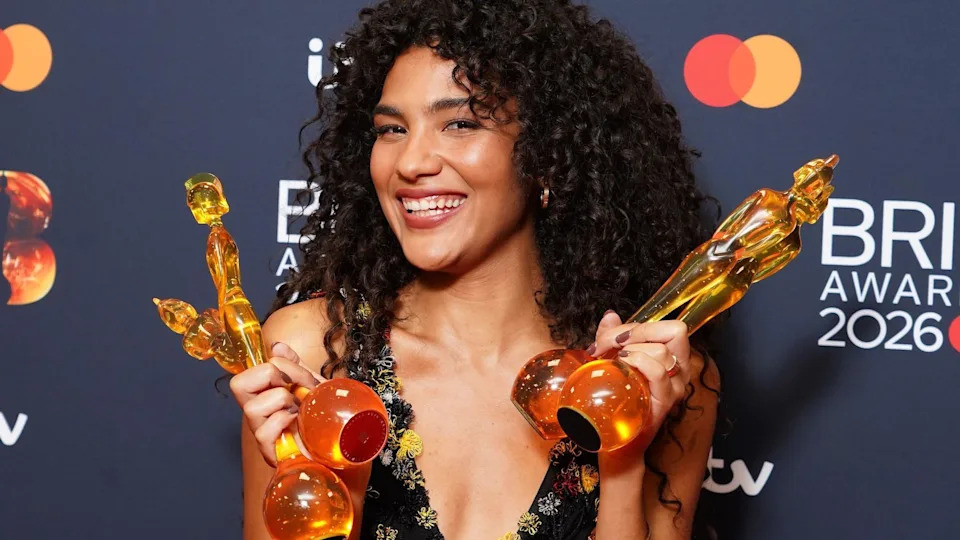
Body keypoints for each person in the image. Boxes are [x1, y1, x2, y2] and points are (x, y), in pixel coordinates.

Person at [229, 1, 722, 538]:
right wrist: (333, 481)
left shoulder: (661, 377)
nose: (412, 162)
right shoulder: (313, 352)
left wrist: (622, 459)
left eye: (460, 123)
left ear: (547, 156)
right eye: (391, 129)